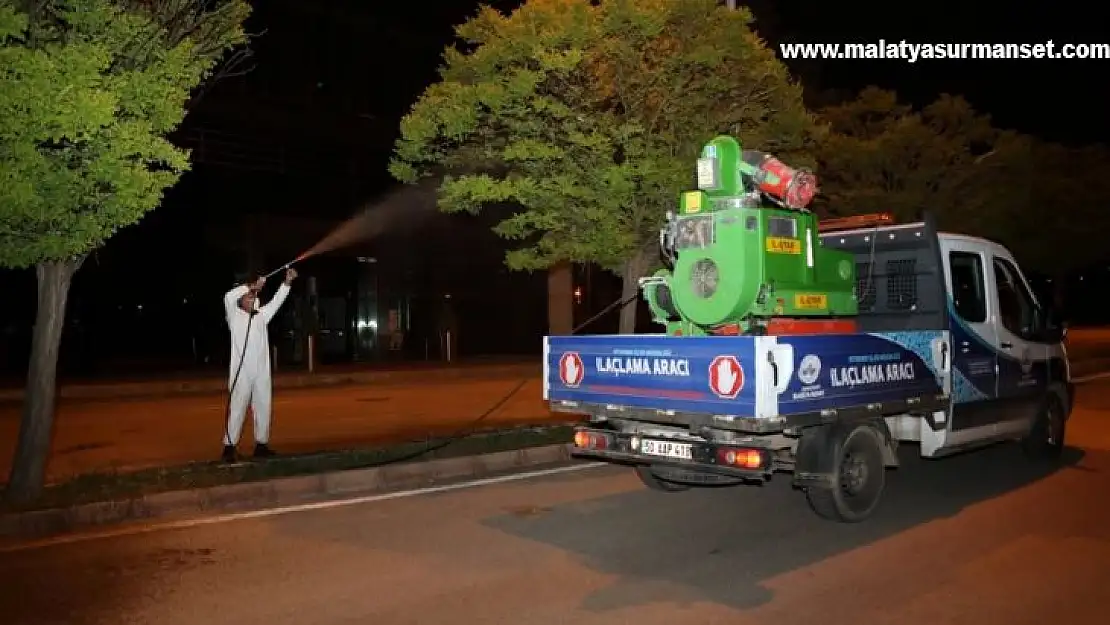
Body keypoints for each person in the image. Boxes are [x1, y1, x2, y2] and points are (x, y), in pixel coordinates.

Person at [221, 267, 297, 462]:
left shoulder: (262, 316)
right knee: (238, 407)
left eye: (252, 296)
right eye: (247, 297)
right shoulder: (234, 316)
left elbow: (277, 301)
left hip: (261, 371)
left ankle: (261, 445)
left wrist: (286, 282)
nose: (251, 298)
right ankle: (229, 447)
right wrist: (250, 286)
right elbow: (228, 297)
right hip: (242, 372)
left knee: (264, 406)